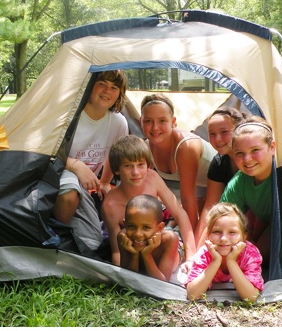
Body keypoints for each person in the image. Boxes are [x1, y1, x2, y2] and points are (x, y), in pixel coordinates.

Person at [52, 70, 129, 250]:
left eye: (114, 87)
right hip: (60, 173)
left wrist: (105, 182)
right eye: (102, 83)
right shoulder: (71, 116)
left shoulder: (118, 122)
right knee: (70, 195)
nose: (107, 91)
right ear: (89, 85)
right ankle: (54, 236)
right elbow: (47, 150)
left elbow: (115, 154)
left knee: (93, 243)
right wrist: (76, 165)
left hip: (85, 189)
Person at [101, 134, 196, 267]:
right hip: (134, 245)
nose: (136, 172)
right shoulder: (110, 206)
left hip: (157, 233)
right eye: (128, 166)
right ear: (117, 169)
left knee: (173, 252)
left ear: (148, 166)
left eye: (140, 165)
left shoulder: (152, 178)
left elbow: (180, 214)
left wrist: (191, 257)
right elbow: (117, 252)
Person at [140, 93, 217, 232]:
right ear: (141, 121)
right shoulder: (146, 147)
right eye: (148, 121)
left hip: (221, 180)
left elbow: (187, 199)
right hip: (199, 185)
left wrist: (190, 245)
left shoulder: (186, 147)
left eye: (162, 121)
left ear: (173, 121)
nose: (155, 128)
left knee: (205, 230)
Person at [220, 116, 276, 266]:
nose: (247, 159)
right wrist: (197, 258)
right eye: (239, 153)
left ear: (272, 148)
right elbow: (218, 218)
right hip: (267, 221)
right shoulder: (240, 181)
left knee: (248, 260)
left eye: (255, 150)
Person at [186, 202, 264, 302]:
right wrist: (215, 261)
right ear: (208, 235)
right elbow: (192, 295)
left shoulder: (250, 254)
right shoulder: (205, 253)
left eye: (232, 232)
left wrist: (231, 261)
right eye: (217, 232)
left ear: (244, 237)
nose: (223, 238)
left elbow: (251, 297)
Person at [194, 107, 248, 245]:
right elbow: (210, 207)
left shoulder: (252, 160)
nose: (217, 139)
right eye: (212, 134)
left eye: (224, 132)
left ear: (238, 130)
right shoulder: (218, 163)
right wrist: (197, 250)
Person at [118, 194, 181, 281]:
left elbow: (163, 283)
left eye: (146, 227)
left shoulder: (169, 240)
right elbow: (127, 278)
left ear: (159, 228)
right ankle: (170, 222)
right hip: (155, 231)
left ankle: (172, 221)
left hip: (178, 247)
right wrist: (134, 255)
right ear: (124, 225)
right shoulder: (123, 236)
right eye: (131, 226)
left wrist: (146, 255)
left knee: (174, 232)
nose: (138, 234)